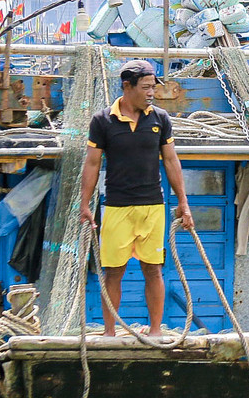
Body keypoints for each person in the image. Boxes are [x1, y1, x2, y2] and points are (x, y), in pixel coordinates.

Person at [79, 59, 193, 337]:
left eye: (153, 87)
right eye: (145, 87)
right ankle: (109, 333)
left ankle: (155, 331)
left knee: (153, 269)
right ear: (126, 86)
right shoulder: (102, 121)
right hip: (116, 207)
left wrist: (183, 203)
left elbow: (170, 160)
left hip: (152, 206)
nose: (151, 92)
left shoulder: (160, 119)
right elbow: (92, 163)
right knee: (113, 272)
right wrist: (84, 204)